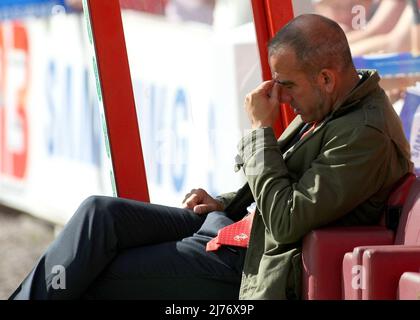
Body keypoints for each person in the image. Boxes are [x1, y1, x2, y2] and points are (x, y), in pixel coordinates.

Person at [9, 14, 413, 300]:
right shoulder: (332, 104)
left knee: (100, 273)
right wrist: (227, 202)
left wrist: (260, 133)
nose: (282, 97)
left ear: (326, 78)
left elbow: (288, 219)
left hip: (255, 261)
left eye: (288, 85)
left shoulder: (365, 133)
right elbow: (282, 182)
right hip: (237, 230)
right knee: (100, 213)